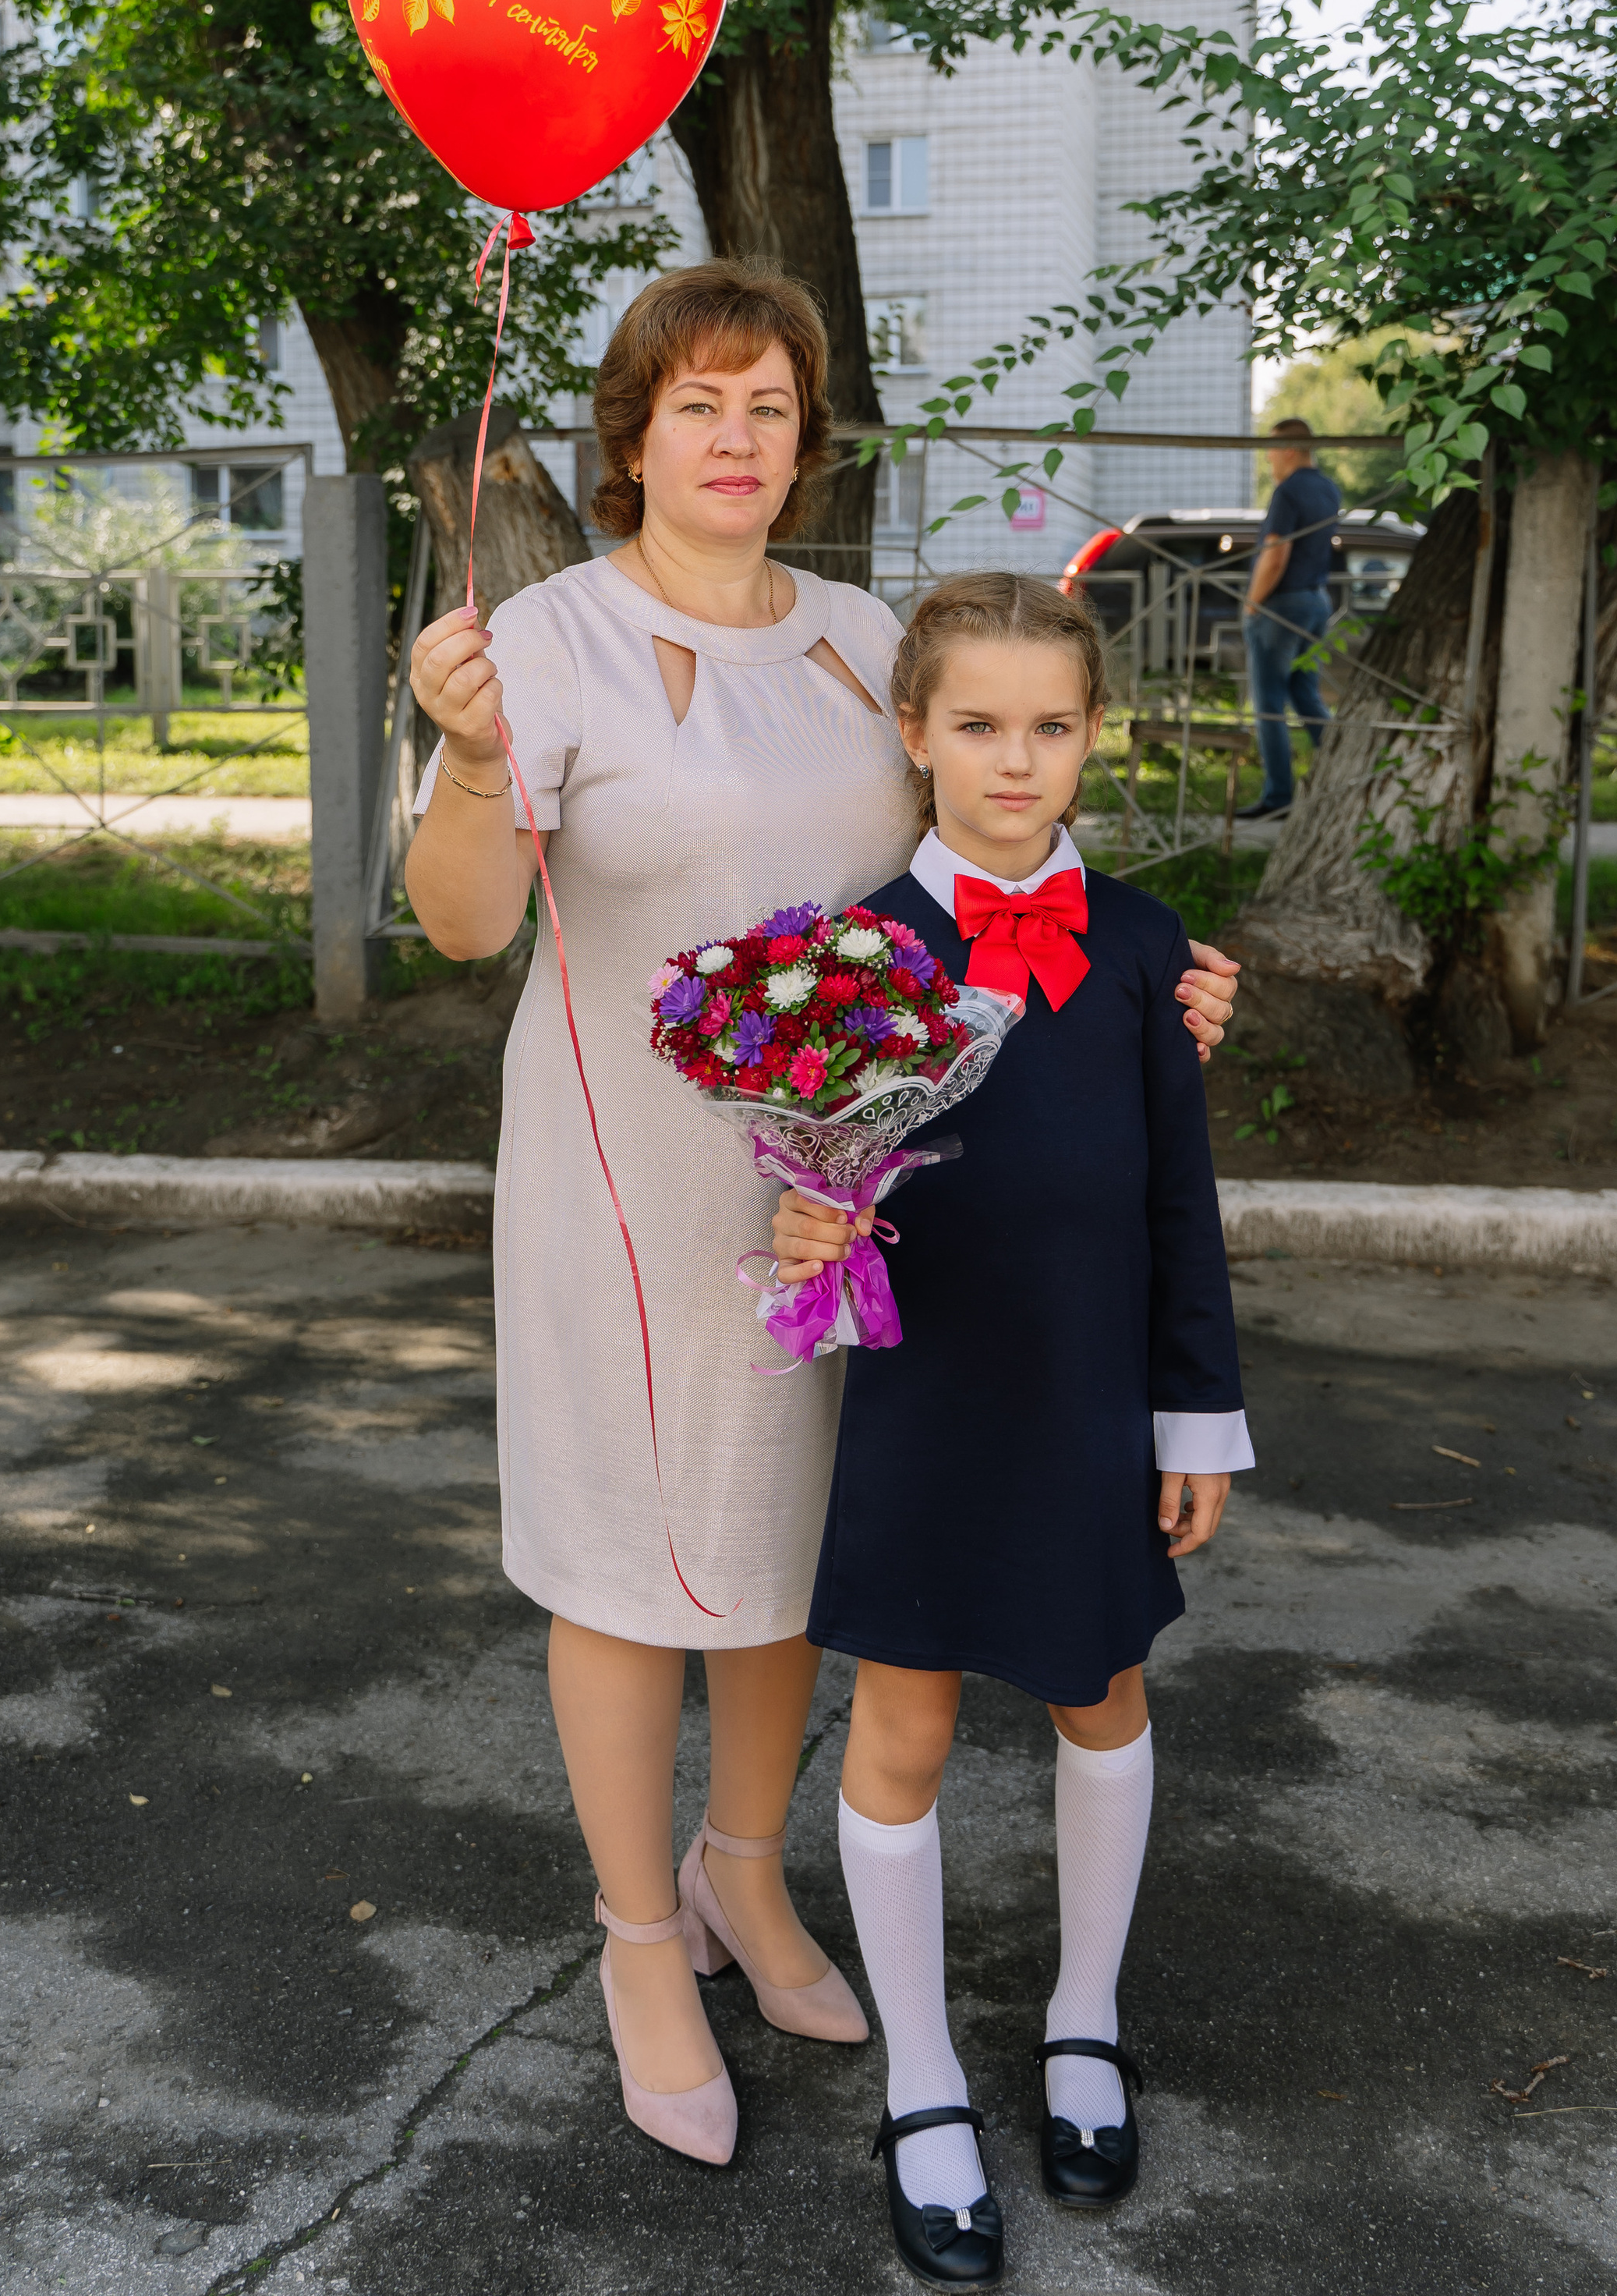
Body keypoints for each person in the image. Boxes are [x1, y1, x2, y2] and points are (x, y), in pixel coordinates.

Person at [401, 264, 1246, 2172]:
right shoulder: (534, 640)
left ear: (804, 438)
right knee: (635, 1560)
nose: (734, 438)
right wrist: (465, 757)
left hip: (867, 1202)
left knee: (804, 1549)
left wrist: (1155, 975)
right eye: (698, 403)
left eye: (768, 406)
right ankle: (637, 1941)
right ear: (632, 434)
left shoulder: (866, 633)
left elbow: (988, 839)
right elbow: (462, 920)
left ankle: (742, 1871)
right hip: (629, 1185)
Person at [770, 572, 1251, 2281]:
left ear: (1089, 740)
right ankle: (917, 2079)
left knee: (1097, 1695)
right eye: (976, 725)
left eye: (1050, 728)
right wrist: (799, 1231)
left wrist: (1193, 1420)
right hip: (926, 1401)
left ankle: (1080, 2021)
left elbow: (1177, 1207)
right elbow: (803, 1180)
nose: (1014, 760)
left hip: (1090, 1403)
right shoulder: (849, 953)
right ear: (912, 733)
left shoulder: (1141, 946)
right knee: (897, 1728)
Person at [1239, 417, 1343, 821]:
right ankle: (1346, 768)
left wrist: (1252, 603)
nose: (1268, 459)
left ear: (1287, 449)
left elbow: (1276, 552)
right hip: (1316, 600)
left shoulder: (1289, 490)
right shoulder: (1328, 488)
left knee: (1268, 704)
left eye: (1270, 449)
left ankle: (1279, 796)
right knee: (1306, 695)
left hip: (1279, 605)